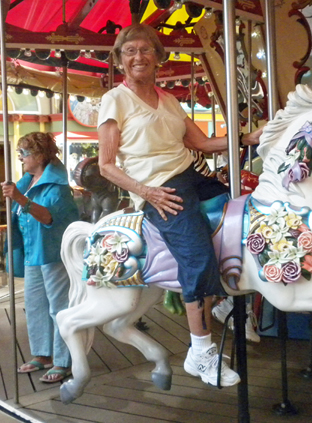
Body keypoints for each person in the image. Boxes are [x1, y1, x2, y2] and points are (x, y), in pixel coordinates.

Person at [98, 24, 261, 387]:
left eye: (145, 50)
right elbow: (105, 165)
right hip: (160, 188)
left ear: (157, 56)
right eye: (130, 51)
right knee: (197, 255)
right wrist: (147, 192)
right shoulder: (115, 100)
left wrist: (247, 137)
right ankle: (200, 352)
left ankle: (220, 299)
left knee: (240, 219)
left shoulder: (169, 100)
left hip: (191, 174)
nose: (138, 56)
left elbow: (201, 144)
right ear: (121, 60)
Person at [1, 132, 79, 383]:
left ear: (39, 155)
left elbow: (48, 217)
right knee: (35, 305)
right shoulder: (27, 182)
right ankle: (43, 353)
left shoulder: (58, 187)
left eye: (24, 153)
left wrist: (20, 199)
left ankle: (63, 359)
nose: (21, 158)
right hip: (33, 252)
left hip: (53, 252)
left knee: (59, 308)